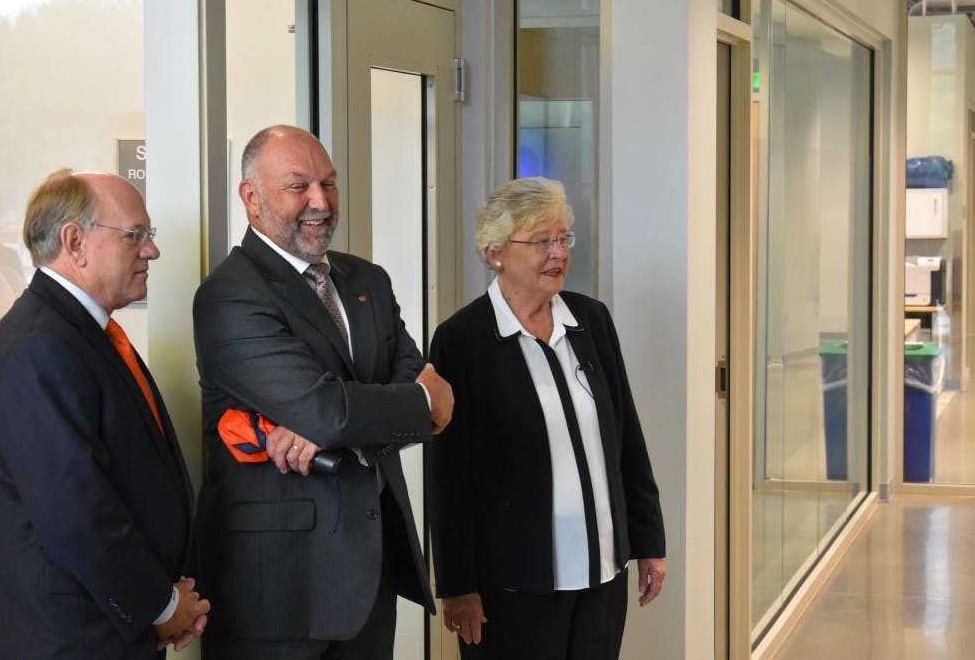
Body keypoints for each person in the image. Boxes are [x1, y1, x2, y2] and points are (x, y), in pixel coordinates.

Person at [192, 124, 454, 660]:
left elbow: (393, 383)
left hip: (369, 570)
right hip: (276, 588)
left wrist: (332, 422)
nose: (320, 202)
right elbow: (329, 409)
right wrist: (418, 403)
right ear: (251, 197)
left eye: (329, 184)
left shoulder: (368, 281)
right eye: (299, 186)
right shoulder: (229, 295)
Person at [427, 177, 666, 659]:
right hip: (513, 587)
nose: (557, 253)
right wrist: (457, 585)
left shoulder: (591, 320)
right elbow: (448, 476)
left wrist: (649, 541)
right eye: (541, 241)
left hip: (602, 575)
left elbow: (627, 440)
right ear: (494, 252)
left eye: (563, 239)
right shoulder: (462, 339)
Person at [0, 169, 210, 658]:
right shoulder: (38, 346)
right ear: (75, 241)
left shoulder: (83, 333)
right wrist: (162, 608)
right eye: (135, 235)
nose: (152, 251)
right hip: (72, 639)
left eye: (150, 235)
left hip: (106, 632)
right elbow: (77, 515)